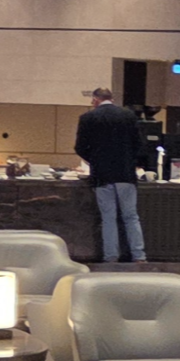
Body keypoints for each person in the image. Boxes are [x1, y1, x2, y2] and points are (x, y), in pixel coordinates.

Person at [74, 86, 146, 262]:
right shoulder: (128, 115)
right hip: (125, 174)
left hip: (102, 175)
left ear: (95, 100)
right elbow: (139, 144)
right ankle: (139, 255)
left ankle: (111, 256)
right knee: (131, 217)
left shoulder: (88, 118)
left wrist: (95, 160)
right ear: (111, 99)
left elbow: (80, 147)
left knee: (108, 218)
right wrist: (132, 162)